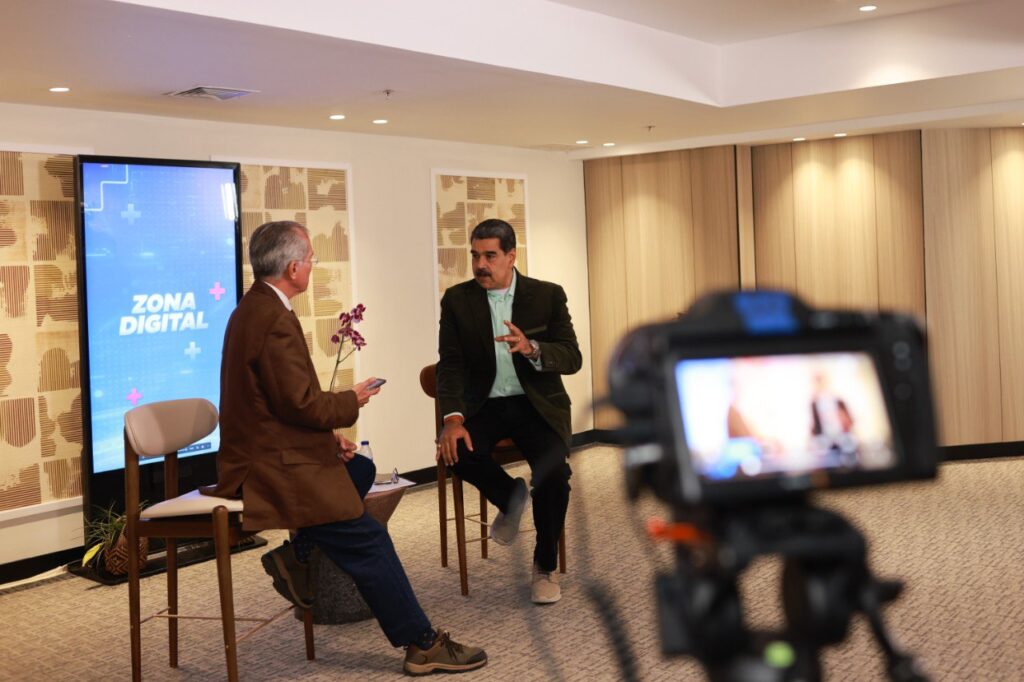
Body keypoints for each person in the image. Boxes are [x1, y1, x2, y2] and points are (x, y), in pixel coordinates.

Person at [205, 220, 486, 676]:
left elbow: (273, 403)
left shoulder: (254, 307)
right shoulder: (273, 320)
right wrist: (349, 401)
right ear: (293, 268)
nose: (312, 266)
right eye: (311, 259)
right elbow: (301, 404)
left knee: (359, 471)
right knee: (367, 537)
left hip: (267, 448)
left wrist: (327, 438)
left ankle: (297, 554)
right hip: (269, 466)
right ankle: (421, 643)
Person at [436, 218, 582, 604]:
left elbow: (572, 357)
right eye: (475, 256)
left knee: (554, 476)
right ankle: (510, 496)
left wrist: (533, 349)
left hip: (536, 405)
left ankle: (544, 566)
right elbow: (450, 364)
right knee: (455, 450)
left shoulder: (547, 295)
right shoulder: (457, 300)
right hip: (484, 405)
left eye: (489, 256)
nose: (480, 265)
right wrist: (452, 419)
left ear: (511, 256)